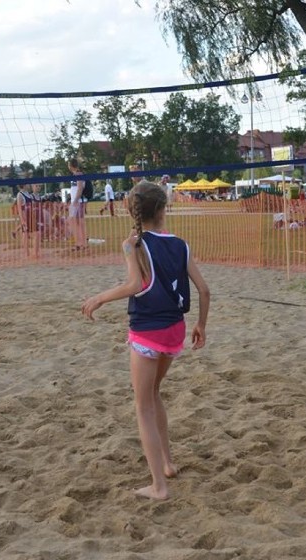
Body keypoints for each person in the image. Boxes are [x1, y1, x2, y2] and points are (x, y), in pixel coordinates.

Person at [81, 181, 210, 500]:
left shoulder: (133, 244)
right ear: (163, 209)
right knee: (154, 393)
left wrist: (100, 297)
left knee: (143, 407)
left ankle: (158, 487)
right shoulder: (181, 244)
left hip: (147, 331)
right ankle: (167, 463)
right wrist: (201, 326)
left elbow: (135, 284)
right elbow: (205, 291)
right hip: (175, 331)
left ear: (133, 210)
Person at [67, 158, 88, 251]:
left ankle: (82, 243)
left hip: (78, 202)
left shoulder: (79, 174)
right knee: (75, 223)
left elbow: (80, 189)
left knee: (79, 223)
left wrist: (75, 200)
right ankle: (79, 243)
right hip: (75, 202)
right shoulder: (74, 175)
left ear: (71, 165)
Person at [17, 183, 42, 258]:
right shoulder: (20, 194)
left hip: (31, 217)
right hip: (26, 217)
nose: (29, 185)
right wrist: (22, 221)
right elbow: (19, 209)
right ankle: (27, 253)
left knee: (35, 234)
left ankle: (34, 253)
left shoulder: (27, 193)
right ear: (24, 185)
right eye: (28, 184)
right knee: (26, 235)